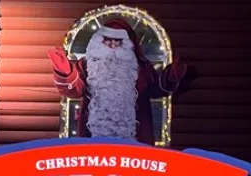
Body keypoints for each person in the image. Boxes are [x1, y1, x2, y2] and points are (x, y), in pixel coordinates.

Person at [48, 18, 187, 145]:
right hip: (93, 136)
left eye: (118, 41)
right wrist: (65, 73)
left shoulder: (140, 67)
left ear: (126, 43)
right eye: (108, 40)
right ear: (99, 41)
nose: (113, 45)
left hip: (133, 138)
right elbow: (75, 90)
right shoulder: (87, 64)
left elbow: (156, 89)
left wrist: (170, 77)